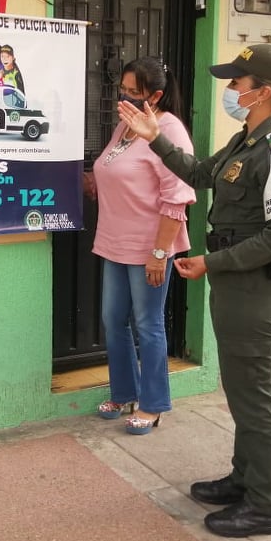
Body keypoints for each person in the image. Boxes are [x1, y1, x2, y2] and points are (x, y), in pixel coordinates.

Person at [119, 43, 271, 537]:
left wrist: (211, 262)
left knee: (256, 400)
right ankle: (243, 479)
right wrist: (156, 138)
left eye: (237, 82)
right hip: (236, 288)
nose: (230, 89)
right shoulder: (245, 140)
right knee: (241, 393)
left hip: (256, 293)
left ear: (263, 92)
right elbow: (200, 174)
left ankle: (264, 506)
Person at [85, 56, 196, 436]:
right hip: (114, 241)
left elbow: (177, 195)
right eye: (123, 89)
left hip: (150, 245)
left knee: (148, 325)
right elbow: (117, 172)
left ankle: (153, 404)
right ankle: (124, 393)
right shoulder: (124, 126)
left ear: (156, 95)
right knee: (113, 321)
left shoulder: (169, 130)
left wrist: (160, 254)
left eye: (135, 92)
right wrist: (90, 182)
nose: (126, 97)